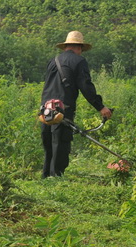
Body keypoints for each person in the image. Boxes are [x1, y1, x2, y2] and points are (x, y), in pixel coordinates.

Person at [40, 31, 112, 178]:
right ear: (79, 47)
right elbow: (86, 86)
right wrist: (100, 106)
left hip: (45, 108)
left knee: (49, 144)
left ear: (66, 46)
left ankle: (46, 176)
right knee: (60, 143)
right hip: (63, 108)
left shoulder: (53, 60)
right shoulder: (79, 62)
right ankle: (55, 178)